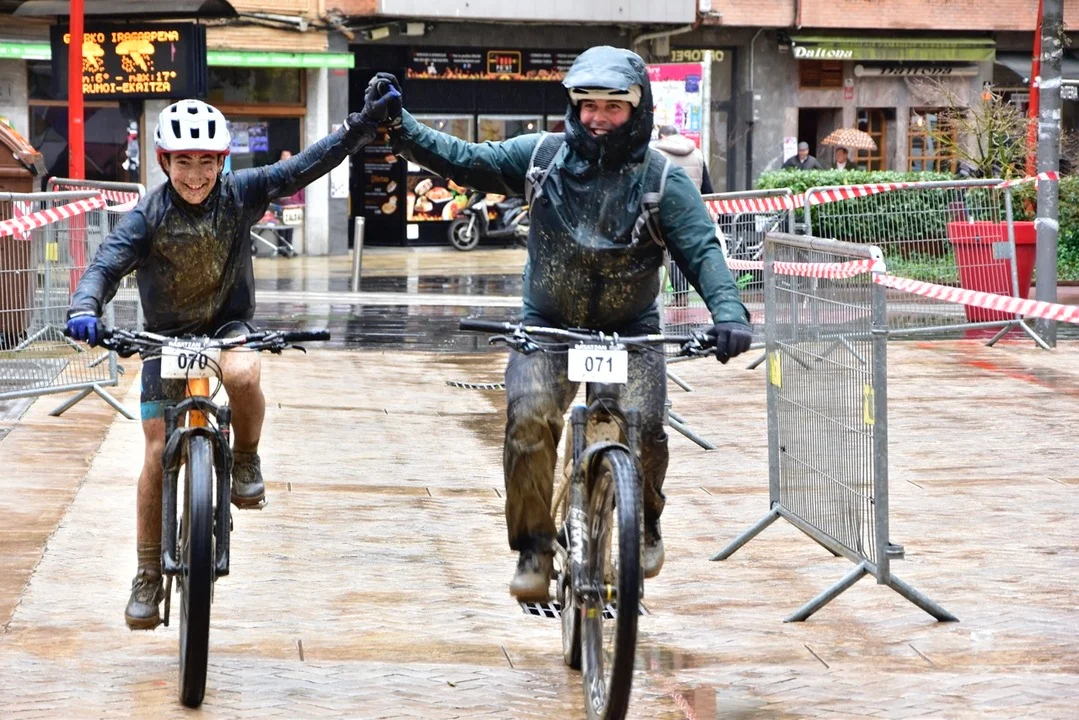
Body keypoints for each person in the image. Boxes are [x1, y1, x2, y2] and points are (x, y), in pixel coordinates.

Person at [370, 45, 752, 601]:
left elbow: (702, 251)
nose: (598, 118)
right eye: (588, 105)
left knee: (647, 428)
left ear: (637, 108)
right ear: (574, 105)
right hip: (547, 327)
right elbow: (463, 158)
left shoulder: (664, 179)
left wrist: (729, 314)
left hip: (633, 332)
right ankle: (534, 547)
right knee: (529, 420)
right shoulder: (542, 158)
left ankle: (645, 519)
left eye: (613, 107)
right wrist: (398, 125)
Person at [65, 90, 399, 630]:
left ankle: (245, 457)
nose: (195, 175)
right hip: (164, 339)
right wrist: (85, 305)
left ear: (222, 161)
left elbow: (305, 165)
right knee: (155, 453)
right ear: (164, 162)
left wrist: (360, 126)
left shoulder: (241, 193)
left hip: (228, 328)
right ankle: (147, 572)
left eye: (206, 162)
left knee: (244, 370)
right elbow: (104, 266)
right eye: (183, 162)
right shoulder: (146, 215)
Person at [651, 125, 713, 194]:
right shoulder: (697, 154)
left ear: (662, 136)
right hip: (693, 199)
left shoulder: (656, 155)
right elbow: (707, 189)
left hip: (667, 200)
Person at [273, 149, 305, 255]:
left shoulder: (296, 171)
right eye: (283, 155)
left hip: (293, 206)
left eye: (287, 156)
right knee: (280, 228)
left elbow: (301, 187)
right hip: (280, 206)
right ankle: (281, 249)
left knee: (290, 228)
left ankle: (289, 248)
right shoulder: (277, 171)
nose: (285, 158)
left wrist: (301, 202)